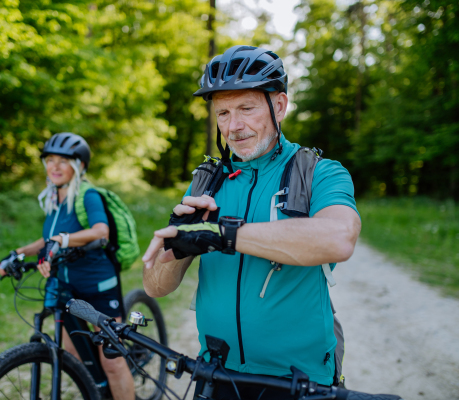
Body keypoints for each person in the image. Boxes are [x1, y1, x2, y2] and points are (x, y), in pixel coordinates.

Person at [142, 45, 361, 399]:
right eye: (223, 112)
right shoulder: (206, 182)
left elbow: (339, 238)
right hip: (215, 372)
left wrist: (223, 234)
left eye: (246, 108)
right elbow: (155, 287)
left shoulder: (318, 173)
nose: (234, 126)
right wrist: (176, 247)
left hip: (296, 380)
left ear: (279, 106)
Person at [0, 132, 134, 400]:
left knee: (113, 362)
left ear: (79, 166)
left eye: (64, 161)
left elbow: (100, 231)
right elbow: (48, 238)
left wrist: (63, 240)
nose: (55, 166)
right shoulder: (54, 199)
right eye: (50, 160)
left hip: (98, 286)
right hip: (65, 286)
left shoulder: (88, 195)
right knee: (71, 355)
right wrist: (19, 253)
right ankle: (96, 392)